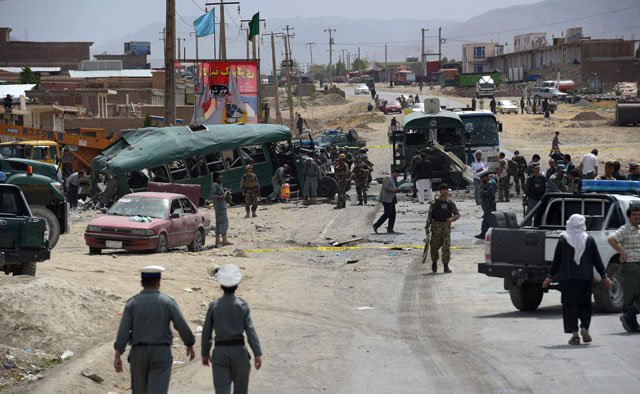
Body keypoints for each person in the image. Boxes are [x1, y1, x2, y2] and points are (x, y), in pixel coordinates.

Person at [114, 266, 195, 394]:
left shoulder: (132, 303)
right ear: (159, 283)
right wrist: (189, 344)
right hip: (161, 353)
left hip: (139, 353)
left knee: (139, 390)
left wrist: (118, 355)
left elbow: (123, 331)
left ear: (141, 283)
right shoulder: (168, 302)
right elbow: (181, 325)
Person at [543, 214, 611, 345]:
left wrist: (549, 277)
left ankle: (575, 336)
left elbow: (556, 260)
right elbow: (597, 260)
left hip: (568, 280)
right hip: (585, 278)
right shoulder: (589, 239)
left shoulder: (563, 240)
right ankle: (584, 326)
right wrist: (605, 276)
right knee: (585, 304)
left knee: (570, 306)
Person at [202, 264, 262, 394]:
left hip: (220, 352)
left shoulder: (214, 306)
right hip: (239, 352)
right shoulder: (242, 306)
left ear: (221, 285)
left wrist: (205, 353)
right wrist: (257, 353)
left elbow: (206, 332)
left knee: (221, 390)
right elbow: (250, 331)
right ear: (237, 285)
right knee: (241, 390)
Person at [608, 202, 640, 332]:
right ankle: (630, 318)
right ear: (629, 217)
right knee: (631, 295)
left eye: (639, 214)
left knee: (635, 295)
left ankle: (630, 318)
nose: (637, 217)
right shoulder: (625, 229)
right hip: (631, 265)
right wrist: (621, 252)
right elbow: (611, 239)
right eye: (634, 215)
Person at [425, 183, 460, 273]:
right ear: (440, 191)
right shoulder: (434, 203)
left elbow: (457, 214)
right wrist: (427, 228)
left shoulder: (450, 203)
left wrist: (452, 219)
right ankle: (434, 263)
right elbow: (429, 216)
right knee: (434, 247)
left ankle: (445, 266)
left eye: (446, 189)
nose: (445, 191)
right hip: (436, 227)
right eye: (443, 189)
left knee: (446, 247)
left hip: (446, 227)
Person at [373, 168, 400, 234]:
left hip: (392, 198)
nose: (397, 176)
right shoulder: (387, 178)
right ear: (393, 172)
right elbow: (386, 187)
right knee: (387, 213)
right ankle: (376, 225)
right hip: (386, 198)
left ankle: (390, 228)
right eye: (397, 174)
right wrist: (394, 189)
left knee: (393, 214)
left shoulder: (393, 179)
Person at [211, 172, 232, 246]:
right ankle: (224, 240)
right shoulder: (215, 185)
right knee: (223, 222)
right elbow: (213, 196)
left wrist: (224, 190)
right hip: (220, 207)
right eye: (219, 177)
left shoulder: (218, 185)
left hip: (220, 207)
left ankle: (217, 240)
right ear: (216, 177)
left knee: (219, 223)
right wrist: (221, 197)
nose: (221, 178)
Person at [475, 171, 496, 239]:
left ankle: (493, 235)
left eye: (482, 178)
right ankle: (483, 233)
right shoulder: (490, 182)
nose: (481, 180)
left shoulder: (489, 183)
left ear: (486, 177)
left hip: (488, 204)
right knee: (485, 220)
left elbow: (490, 194)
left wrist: (482, 191)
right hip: (487, 204)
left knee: (489, 219)